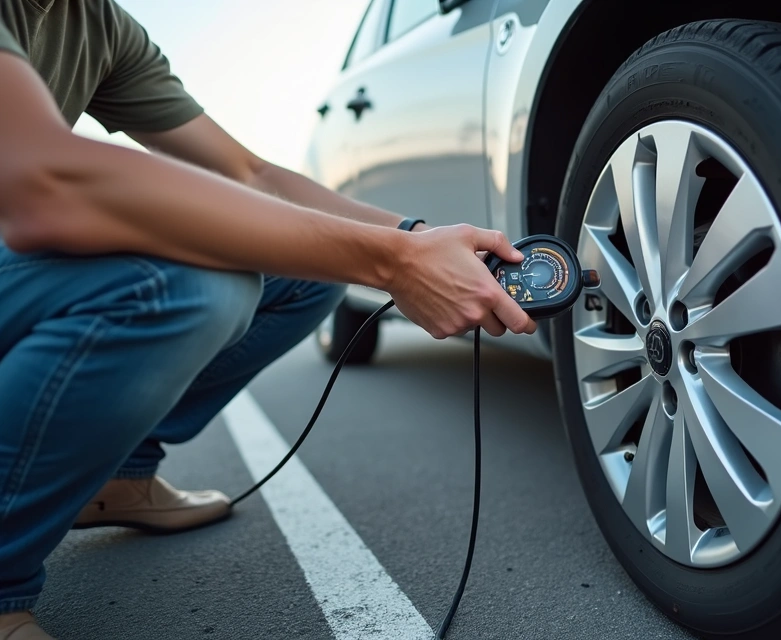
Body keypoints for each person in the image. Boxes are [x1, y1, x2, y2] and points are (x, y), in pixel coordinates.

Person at [0, 1, 538, 637]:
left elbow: (249, 174)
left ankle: (118, 472)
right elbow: (44, 184)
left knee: (310, 269)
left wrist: (414, 238)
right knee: (191, 287)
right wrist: (394, 265)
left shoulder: (95, 24)